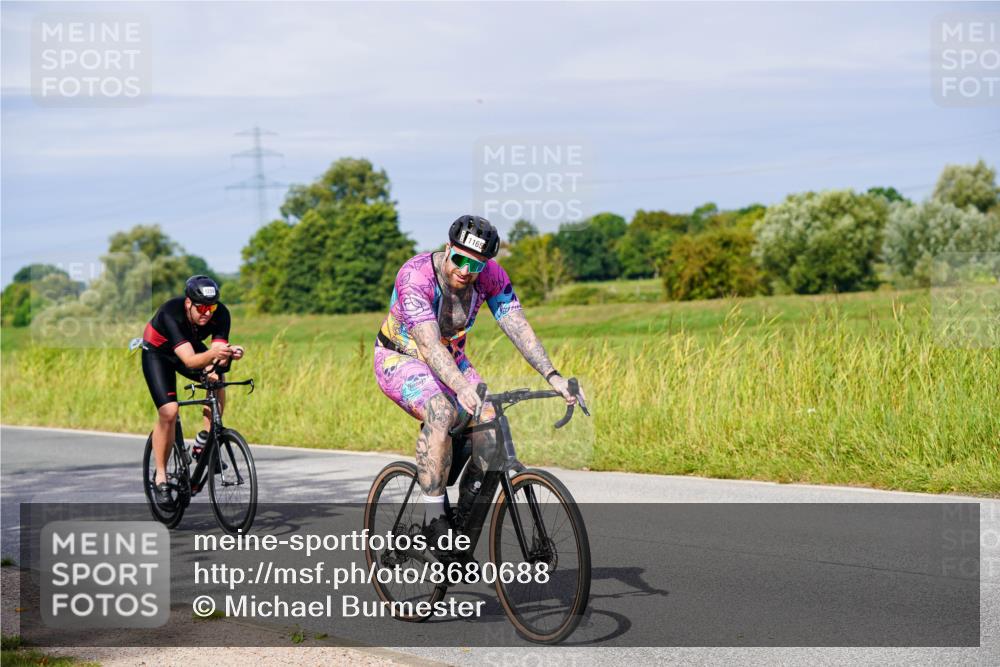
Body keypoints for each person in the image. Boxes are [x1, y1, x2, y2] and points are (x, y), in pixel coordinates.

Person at [373, 215, 583, 555]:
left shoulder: (490, 277)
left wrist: (553, 376)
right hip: (401, 357)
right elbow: (427, 345)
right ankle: (433, 517)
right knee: (441, 411)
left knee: (490, 421)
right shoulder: (416, 276)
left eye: (476, 264)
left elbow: (517, 326)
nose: (465, 270)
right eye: (459, 259)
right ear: (447, 249)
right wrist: (459, 387)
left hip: (452, 358)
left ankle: (460, 532)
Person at [141, 275, 244, 506]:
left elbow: (217, 352)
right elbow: (189, 361)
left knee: (216, 377)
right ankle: (160, 477)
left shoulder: (221, 314)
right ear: (189, 303)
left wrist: (228, 355)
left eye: (212, 306)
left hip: (189, 347)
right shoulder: (171, 312)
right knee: (169, 412)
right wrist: (217, 354)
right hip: (159, 354)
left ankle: (204, 442)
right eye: (202, 307)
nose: (207, 312)